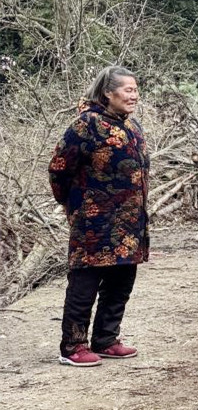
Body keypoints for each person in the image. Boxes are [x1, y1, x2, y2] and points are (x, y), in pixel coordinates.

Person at [48, 66, 149, 367]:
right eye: (128, 90)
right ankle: (73, 345)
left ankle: (106, 339)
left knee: (121, 281)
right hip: (93, 220)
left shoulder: (132, 126)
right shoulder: (86, 124)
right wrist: (72, 204)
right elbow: (59, 169)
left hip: (130, 221)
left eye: (136, 90)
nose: (134, 95)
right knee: (85, 282)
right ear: (108, 92)